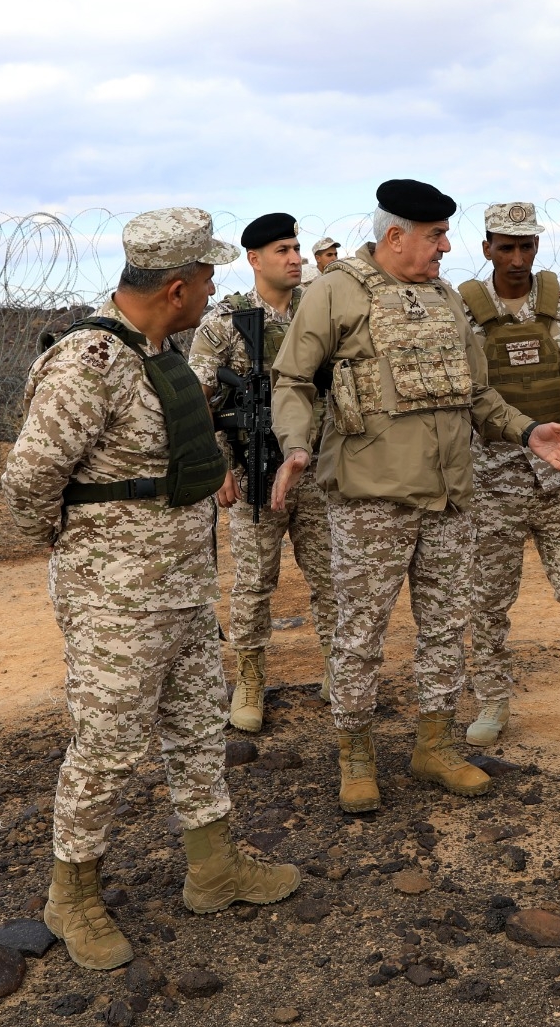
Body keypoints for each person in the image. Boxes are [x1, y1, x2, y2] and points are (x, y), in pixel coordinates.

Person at [2, 207, 300, 971]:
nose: (213, 290)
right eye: (206, 278)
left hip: (183, 589)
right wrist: (79, 555)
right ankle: (71, 895)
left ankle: (214, 867)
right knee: (106, 747)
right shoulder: (90, 362)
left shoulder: (158, 353)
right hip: (117, 601)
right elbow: (29, 481)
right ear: (176, 288)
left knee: (198, 729)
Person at [267, 178, 560, 813]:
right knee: (360, 633)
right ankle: (356, 756)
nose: (446, 247)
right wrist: (296, 446)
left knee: (445, 628)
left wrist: (529, 431)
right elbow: (294, 380)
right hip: (372, 500)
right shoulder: (336, 292)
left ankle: (434, 746)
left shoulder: (444, 298)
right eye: (436, 236)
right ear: (396, 236)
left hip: (449, 499)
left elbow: (477, 394)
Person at [455, 201, 560, 746]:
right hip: (491, 482)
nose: (517, 258)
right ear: (487, 248)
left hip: (559, 481)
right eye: (505, 247)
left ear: (536, 246)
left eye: (526, 246)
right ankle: (492, 700)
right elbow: (459, 399)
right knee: (487, 600)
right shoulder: (462, 312)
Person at [189, 212, 335, 734]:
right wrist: (219, 465)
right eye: (282, 251)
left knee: (333, 577)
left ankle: (340, 668)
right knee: (253, 583)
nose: (295, 259)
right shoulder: (225, 323)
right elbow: (196, 403)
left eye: (296, 249)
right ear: (254, 259)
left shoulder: (319, 310)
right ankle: (249, 679)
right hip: (254, 470)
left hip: (319, 469)